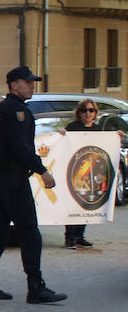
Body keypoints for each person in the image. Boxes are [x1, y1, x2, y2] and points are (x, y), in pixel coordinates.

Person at [0, 66, 67, 304]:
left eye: (32, 82)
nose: (32, 86)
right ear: (14, 85)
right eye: (28, 82)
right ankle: (35, 286)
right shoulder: (16, 111)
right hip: (14, 178)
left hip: (2, 177)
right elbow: (20, 148)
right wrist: (42, 170)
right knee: (29, 232)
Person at [59, 98, 124, 248]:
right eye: (84, 110)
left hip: (91, 174)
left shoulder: (97, 129)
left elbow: (103, 146)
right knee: (72, 204)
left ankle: (80, 236)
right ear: (79, 113)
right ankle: (69, 238)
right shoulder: (72, 127)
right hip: (74, 173)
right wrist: (62, 134)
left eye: (91, 110)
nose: (87, 113)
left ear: (95, 113)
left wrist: (116, 136)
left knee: (86, 205)